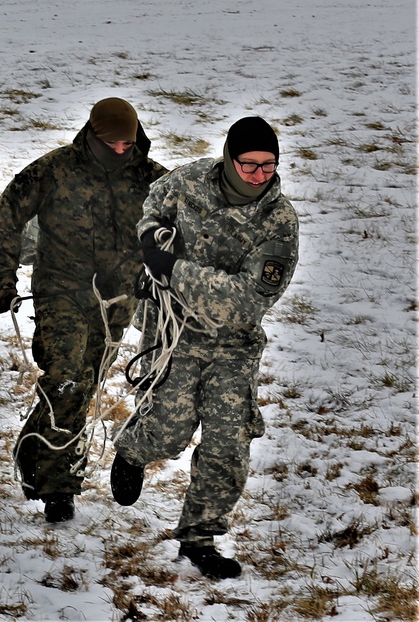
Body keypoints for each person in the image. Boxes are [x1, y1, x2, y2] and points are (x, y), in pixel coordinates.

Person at [109, 116, 299, 579]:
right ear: (229, 159)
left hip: (232, 345)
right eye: (249, 164)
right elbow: (153, 206)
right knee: (170, 430)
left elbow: (244, 301)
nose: (259, 175)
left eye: (269, 165)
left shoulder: (278, 221)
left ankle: (200, 537)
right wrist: (152, 236)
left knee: (227, 445)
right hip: (174, 334)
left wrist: (173, 269)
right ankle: (134, 449)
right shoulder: (190, 180)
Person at [0, 98, 168, 522]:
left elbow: (189, 223)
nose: (121, 150)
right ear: (92, 133)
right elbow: (5, 218)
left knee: (82, 387)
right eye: (112, 142)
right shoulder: (55, 169)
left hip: (118, 301)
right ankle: (59, 488)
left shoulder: (152, 178)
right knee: (66, 380)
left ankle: (35, 447)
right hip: (60, 291)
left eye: (128, 142)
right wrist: (4, 280)